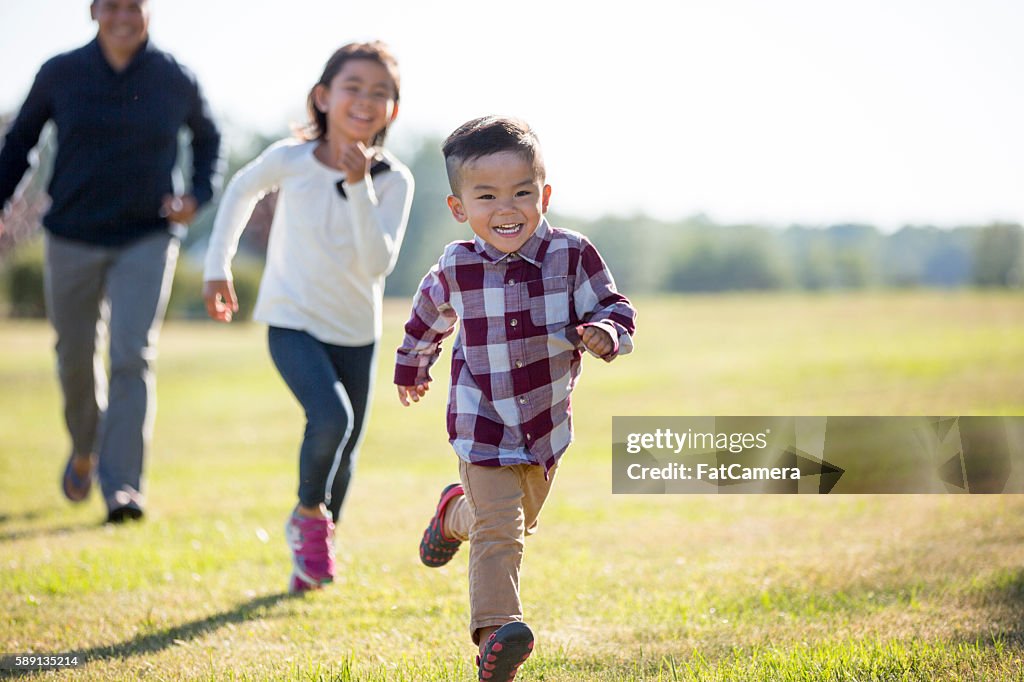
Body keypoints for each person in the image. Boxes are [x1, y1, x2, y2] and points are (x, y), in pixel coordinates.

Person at [395, 116, 637, 681]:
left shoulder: (572, 255)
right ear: (460, 208)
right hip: (482, 424)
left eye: (522, 193)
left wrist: (606, 332)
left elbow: (614, 306)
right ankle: (496, 634)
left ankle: (450, 515)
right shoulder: (457, 266)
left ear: (544, 194)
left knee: (507, 523)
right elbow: (425, 320)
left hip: (545, 429)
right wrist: (412, 367)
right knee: (502, 533)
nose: (508, 208)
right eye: (487, 195)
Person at [202, 41, 413, 594]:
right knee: (331, 419)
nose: (365, 100)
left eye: (380, 92)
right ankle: (306, 518)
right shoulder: (289, 160)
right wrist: (217, 266)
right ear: (323, 97)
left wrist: (358, 185)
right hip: (291, 319)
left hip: (356, 332)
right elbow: (240, 192)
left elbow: (377, 263)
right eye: (353, 87)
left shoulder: (394, 180)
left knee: (345, 453)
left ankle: (313, 556)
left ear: (392, 109)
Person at [0, 0, 221, 523]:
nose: (124, 16)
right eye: (113, 6)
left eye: (135, 6)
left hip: (146, 236)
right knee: (73, 356)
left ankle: (122, 487)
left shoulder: (174, 77)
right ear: (94, 11)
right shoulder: (60, 72)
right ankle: (84, 448)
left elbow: (210, 140)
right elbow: (19, 143)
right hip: (71, 235)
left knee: (130, 356)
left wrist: (196, 193)